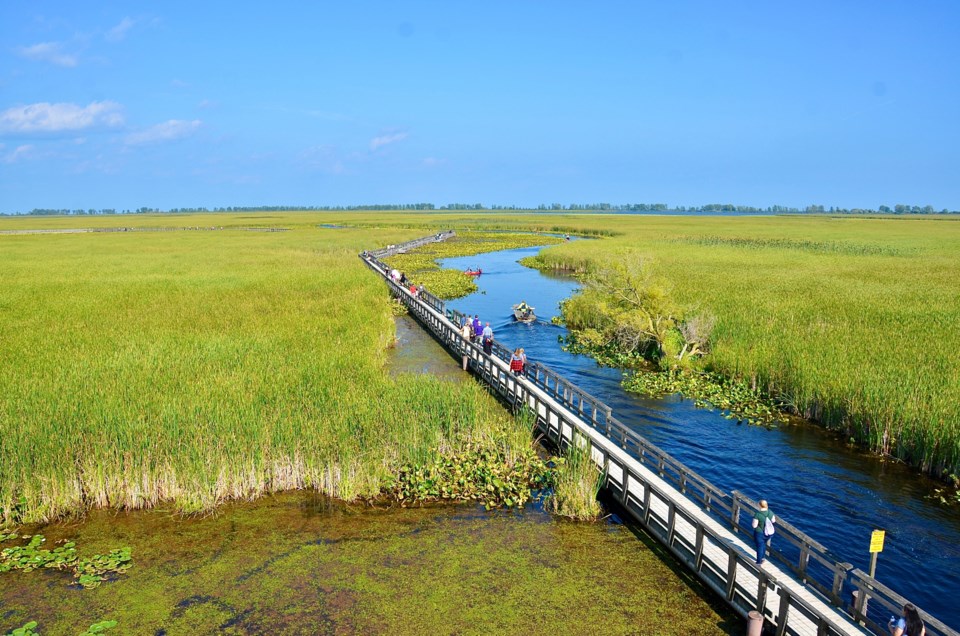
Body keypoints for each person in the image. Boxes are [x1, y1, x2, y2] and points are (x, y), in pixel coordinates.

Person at [751, 500, 776, 565]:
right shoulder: (770, 512)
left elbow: (754, 525)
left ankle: (758, 562)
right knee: (763, 544)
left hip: (760, 533)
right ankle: (763, 558)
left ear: (759, 505)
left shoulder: (758, 514)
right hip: (768, 533)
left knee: (759, 546)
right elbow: (773, 521)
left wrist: (757, 527)